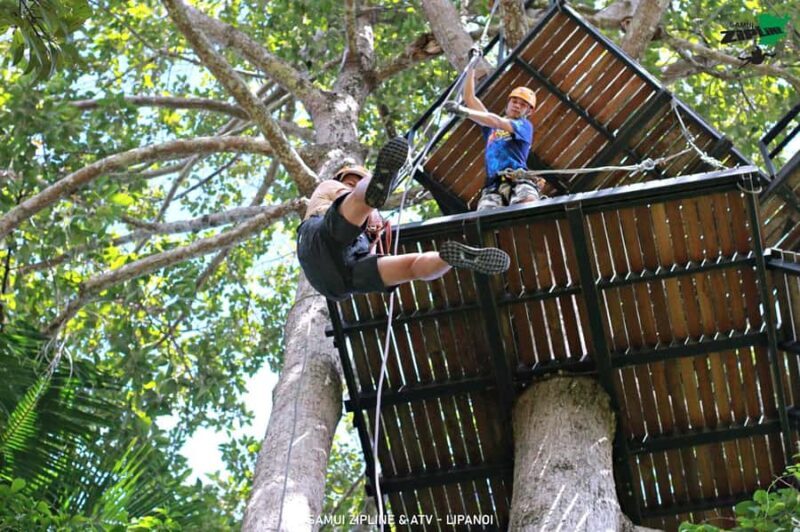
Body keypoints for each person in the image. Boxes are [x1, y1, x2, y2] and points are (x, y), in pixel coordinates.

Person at [296, 137, 511, 301]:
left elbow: (369, 231)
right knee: (355, 207)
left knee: (412, 268)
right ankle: (373, 189)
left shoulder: (365, 217)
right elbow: (352, 207)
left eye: (358, 181)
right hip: (321, 239)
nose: (350, 184)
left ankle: (449, 259)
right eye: (351, 181)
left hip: (344, 278)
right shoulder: (330, 186)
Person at [445, 63, 542, 211]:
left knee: (527, 208)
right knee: (485, 219)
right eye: (514, 101)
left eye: (523, 105)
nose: (517, 105)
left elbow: (496, 120)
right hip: (492, 186)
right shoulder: (491, 128)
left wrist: (464, 112)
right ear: (508, 103)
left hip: (518, 180)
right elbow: (470, 98)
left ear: (529, 111)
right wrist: (471, 65)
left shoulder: (524, 126)